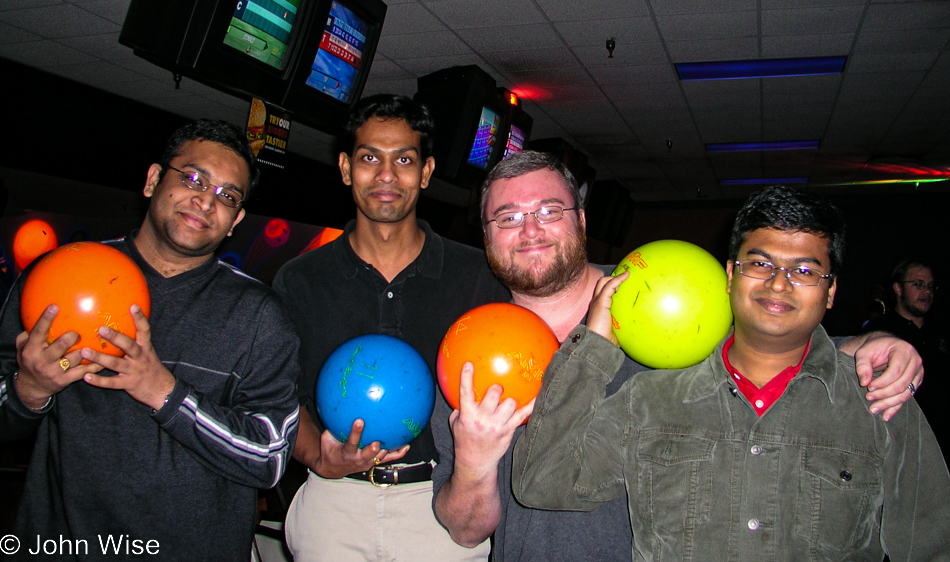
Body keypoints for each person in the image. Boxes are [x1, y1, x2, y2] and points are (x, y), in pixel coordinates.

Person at [431, 152, 926, 561]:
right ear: (486, 234)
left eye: (549, 210)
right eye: (508, 217)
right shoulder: (469, 353)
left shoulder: (666, 298)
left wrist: (854, 347)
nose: (530, 230)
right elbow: (466, 533)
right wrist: (474, 461)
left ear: (581, 219)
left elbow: (767, 338)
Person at [0, 119, 300, 560]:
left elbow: (270, 457)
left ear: (235, 220)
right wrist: (31, 389)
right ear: (153, 179)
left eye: (227, 195)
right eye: (193, 178)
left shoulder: (260, 316)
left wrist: (164, 393)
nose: (205, 199)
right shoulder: (56, 280)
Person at [273, 94, 509, 561]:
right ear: (345, 168)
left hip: (441, 501)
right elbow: (278, 398)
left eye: (404, 159)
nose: (386, 175)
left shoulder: (479, 277)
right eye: (369, 158)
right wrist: (319, 457)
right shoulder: (300, 280)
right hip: (333, 501)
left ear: (425, 172)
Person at [864, 258, 949, 457]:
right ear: (898, 289)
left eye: (930, 286)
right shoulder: (880, 331)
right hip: (903, 445)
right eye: (918, 284)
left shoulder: (941, 331)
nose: (926, 292)